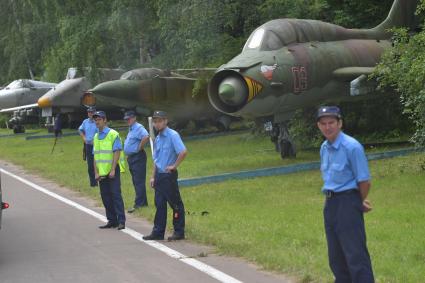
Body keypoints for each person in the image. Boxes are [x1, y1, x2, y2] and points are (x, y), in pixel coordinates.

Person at [317, 106, 374, 283]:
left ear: (340, 123)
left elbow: (364, 181)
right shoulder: (324, 148)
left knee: (355, 255)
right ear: (319, 126)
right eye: (324, 123)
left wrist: (357, 201)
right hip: (331, 204)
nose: (328, 127)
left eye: (332, 123)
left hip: (348, 203)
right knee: (336, 256)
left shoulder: (352, 147)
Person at [143, 111, 187, 241]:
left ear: (165, 121)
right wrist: (153, 176)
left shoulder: (173, 135)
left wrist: (174, 165)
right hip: (159, 176)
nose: (157, 124)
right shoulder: (157, 138)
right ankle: (158, 231)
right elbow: (157, 160)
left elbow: (183, 152)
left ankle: (179, 232)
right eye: (155, 121)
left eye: (159, 121)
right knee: (160, 204)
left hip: (169, 175)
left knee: (175, 204)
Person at [92, 111, 126, 230]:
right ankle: (112, 220)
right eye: (95, 120)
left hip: (112, 170)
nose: (97, 122)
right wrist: (96, 172)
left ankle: (121, 221)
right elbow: (95, 156)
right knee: (105, 197)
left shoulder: (113, 134)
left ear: (105, 120)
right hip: (101, 172)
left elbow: (116, 152)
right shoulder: (96, 136)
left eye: (99, 119)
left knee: (116, 195)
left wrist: (112, 169)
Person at [123, 110, 150, 213]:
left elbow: (146, 136)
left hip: (138, 156)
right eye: (126, 119)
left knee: (138, 181)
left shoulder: (138, 127)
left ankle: (140, 204)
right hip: (132, 157)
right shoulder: (131, 128)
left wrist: (139, 148)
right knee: (136, 181)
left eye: (129, 119)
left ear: (134, 118)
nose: (127, 121)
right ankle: (142, 202)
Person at [78, 106, 98, 187]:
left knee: (98, 164)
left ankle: (101, 180)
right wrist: (84, 138)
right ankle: (93, 183)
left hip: (97, 146)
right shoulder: (85, 122)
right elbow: (80, 130)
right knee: (90, 165)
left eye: (92, 112)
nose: (90, 114)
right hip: (88, 146)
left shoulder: (98, 121)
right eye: (89, 112)